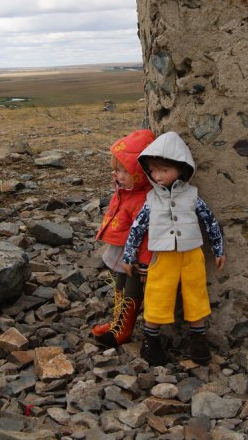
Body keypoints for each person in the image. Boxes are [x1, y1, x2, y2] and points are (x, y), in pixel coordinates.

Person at [122, 131, 225, 365]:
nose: (157, 176)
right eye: (153, 170)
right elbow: (137, 228)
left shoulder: (192, 197)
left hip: (192, 254)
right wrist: (129, 255)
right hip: (163, 256)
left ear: (182, 168)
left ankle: (198, 340)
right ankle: (151, 341)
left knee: (196, 294)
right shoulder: (151, 200)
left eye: (164, 170)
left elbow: (210, 222)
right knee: (158, 294)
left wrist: (218, 249)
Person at [91, 129, 155, 348]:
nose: (117, 175)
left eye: (123, 171)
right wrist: (121, 179)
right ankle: (117, 322)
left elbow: (147, 234)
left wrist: (144, 261)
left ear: (140, 172)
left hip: (136, 256)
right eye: (115, 170)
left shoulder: (143, 199)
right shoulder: (128, 189)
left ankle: (123, 330)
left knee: (132, 287)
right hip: (123, 249)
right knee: (119, 283)